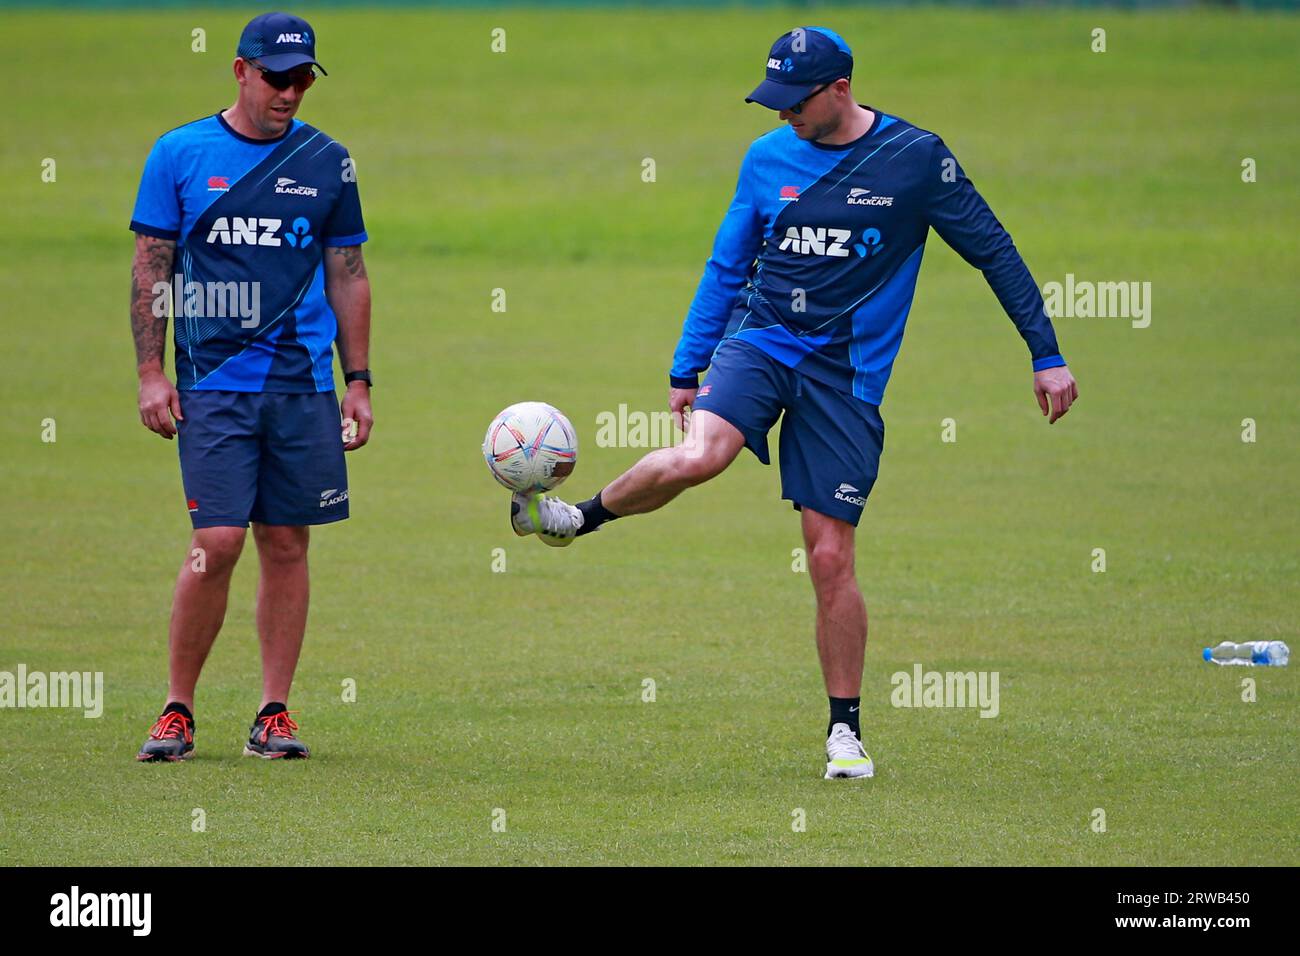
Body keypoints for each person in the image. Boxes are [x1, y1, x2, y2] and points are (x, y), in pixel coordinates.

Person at [511, 26, 1078, 780]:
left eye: (795, 102)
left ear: (840, 89)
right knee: (701, 455)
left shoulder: (916, 160)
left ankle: (845, 731)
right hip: (762, 343)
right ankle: (577, 517)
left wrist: (1045, 352)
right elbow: (727, 264)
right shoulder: (765, 158)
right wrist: (689, 365)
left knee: (829, 555)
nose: (783, 116)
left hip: (847, 378)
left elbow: (994, 249)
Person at [129, 12, 373, 761]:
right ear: (240, 70)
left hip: (303, 384)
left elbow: (349, 274)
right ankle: (177, 708)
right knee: (217, 540)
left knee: (287, 542)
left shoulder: (329, 162)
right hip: (212, 384)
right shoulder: (178, 154)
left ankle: (274, 713)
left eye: (303, 78)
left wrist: (357, 380)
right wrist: (150, 371)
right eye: (277, 76)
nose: (291, 91)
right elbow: (151, 269)